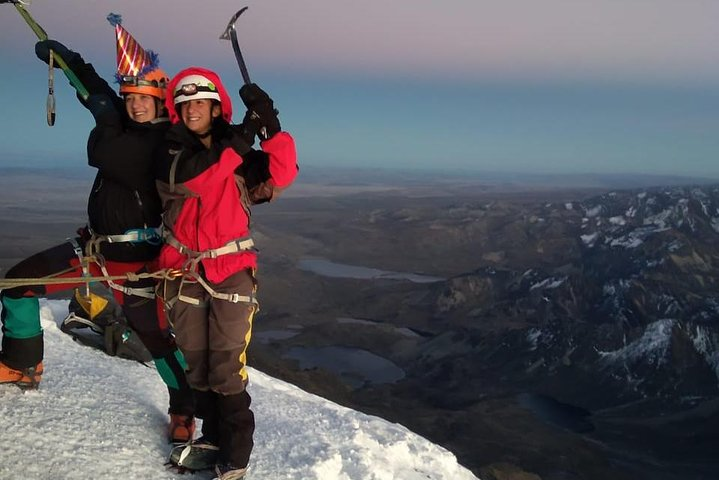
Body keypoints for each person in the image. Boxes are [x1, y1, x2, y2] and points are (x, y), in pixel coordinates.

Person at [0, 15, 195, 444]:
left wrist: (106, 112)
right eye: (130, 98)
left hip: (137, 262)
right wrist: (68, 61)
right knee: (17, 284)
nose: (136, 105)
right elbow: (97, 93)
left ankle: (185, 410)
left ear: (162, 102)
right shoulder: (125, 123)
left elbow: (108, 153)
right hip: (94, 249)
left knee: (156, 338)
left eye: (144, 98)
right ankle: (22, 363)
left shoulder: (164, 144)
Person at [157, 67, 297, 479]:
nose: (193, 109)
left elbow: (281, 175)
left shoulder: (237, 153)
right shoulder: (170, 152)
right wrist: (243, 137)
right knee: (197, 364)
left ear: (216, 108)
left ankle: (235, 455)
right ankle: (213, 437)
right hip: (184, 269)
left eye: (201, 102)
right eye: (186, 104)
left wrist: (272, 129)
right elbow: (199, 179)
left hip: (230, 270)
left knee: (225, 365)